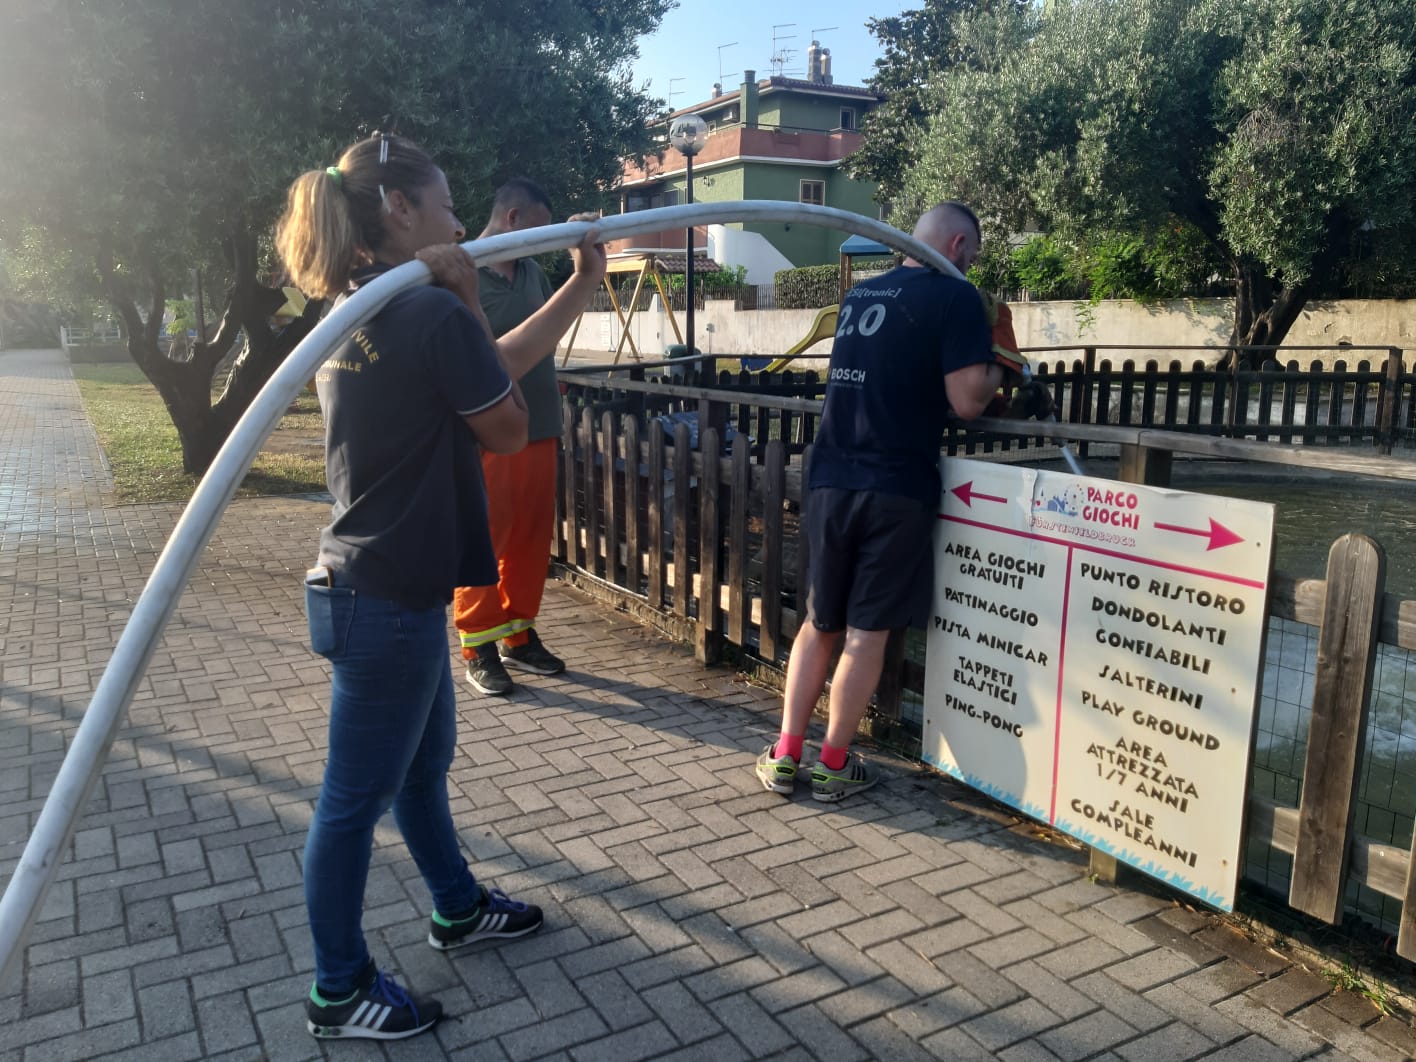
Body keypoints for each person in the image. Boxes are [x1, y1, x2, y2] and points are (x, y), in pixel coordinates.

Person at [274, 132, 605, 1041]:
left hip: (376, 588)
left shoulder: (359, 307)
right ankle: (338, 989)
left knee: (421, 770)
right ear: (400, 209)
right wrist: (464, 295)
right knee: (352, 803)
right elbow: (506, 425)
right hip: (386, 599)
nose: (461, 225)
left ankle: (457, 908)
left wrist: (580, 285)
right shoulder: (426, 310)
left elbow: (488, 365)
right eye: (449, 206)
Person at [754, 202, 1025, 803]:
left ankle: (785, 754)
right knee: (866, 631)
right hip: (896, 484)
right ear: (957, 246)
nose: (971, 264)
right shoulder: (956, 297)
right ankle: (833, 764)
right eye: (973, 254)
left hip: (831, 476)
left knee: (819, 622)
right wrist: (1002, 362)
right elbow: (967, 401)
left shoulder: (860, 296)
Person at [453, 179, 571, 695]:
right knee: (485, 536)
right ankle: (477, 642)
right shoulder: (463, 273)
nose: (543, 243)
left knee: (529, 535)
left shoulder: (532, 273)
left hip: (540, 426)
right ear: (514, 219)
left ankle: (517, 634)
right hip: (489, 433)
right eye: (540, 230)